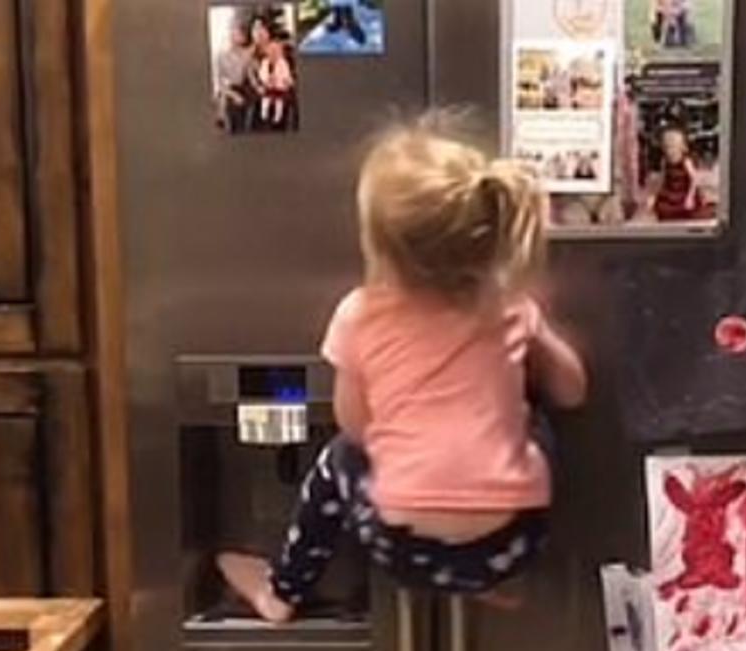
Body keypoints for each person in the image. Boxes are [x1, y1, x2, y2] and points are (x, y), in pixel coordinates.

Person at [218, 120, 588, 622]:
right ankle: (480, 574)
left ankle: (281, 592)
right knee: (532, 411)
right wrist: (532, 340)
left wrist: (413, 447)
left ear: (379, 248)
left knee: (337, 458)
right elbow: (573, 391)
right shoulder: (508, 306)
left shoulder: (360, 314)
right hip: (512, 540)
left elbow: (355, 425)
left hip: (402, 549)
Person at [652, 125, 705, 221]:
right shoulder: (664, 161)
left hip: (684, 192)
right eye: (667, 147)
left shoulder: (685, 161)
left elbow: (694, 179)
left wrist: (690, 197)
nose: (670, 151)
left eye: (673, 147)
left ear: (681, 147)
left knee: (689, 208)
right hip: (671, 193)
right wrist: (655, 195)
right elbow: (661, 179)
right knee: (661, 207)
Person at [214, 22, 255, 133]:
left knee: (249, 104)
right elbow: (219, 82)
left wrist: (259, 86)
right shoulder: (220, 55)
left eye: (239, 34)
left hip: (242, 88)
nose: (235, 36)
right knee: (229, 105)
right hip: (227, 90)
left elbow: (250, 75)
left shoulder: (246, 55)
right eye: (233, 33)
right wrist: (233, 95)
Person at [258, 40, 294, 128]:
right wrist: (267, 79)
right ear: (267, 52)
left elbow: (286, 73)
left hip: (279, 85)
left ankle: (277, 117)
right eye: (271, 51)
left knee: (279, 101)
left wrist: (284, 80)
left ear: (280, 52)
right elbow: (261, 73)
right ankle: (264, 115)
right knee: (265, 100)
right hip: (268, 85)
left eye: (276, 51)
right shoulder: (265, 62)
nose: (273, 53)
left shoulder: (283, 62)